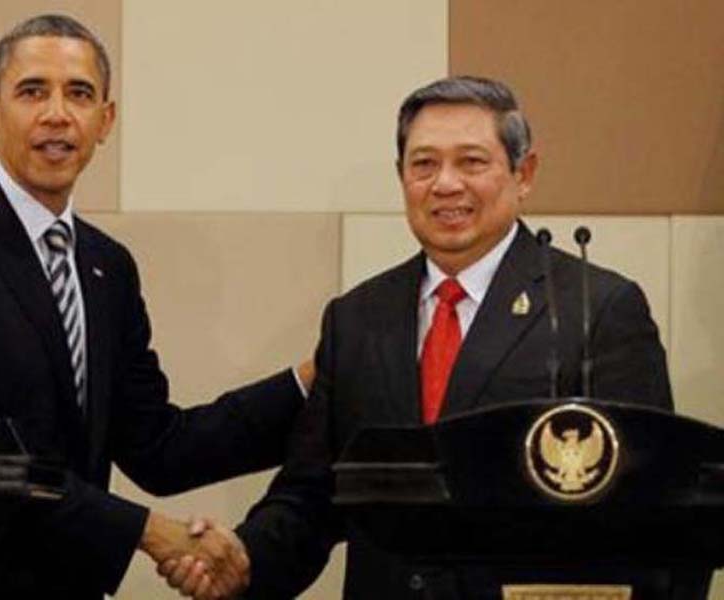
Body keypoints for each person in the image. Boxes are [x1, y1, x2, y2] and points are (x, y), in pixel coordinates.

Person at [162, 76, 676, 598]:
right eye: (424, 164)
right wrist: (241, 560)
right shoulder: (357, 317)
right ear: (402, 176)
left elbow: (658, 510)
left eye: (472, 162)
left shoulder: (598, 309)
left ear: (524, 174)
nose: (446, 184)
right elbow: (312, 494)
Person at [0, 14, 311, 600]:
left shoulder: (107, 266)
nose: (57, 113)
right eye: (32, 91)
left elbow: (158, 447)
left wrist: (305, 384)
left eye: (78, 94)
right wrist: (149, 532)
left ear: (105, 120)